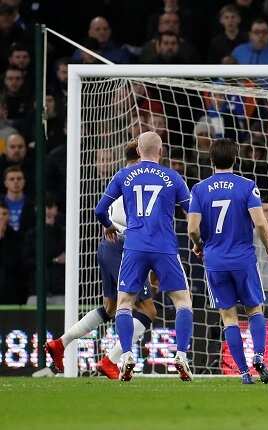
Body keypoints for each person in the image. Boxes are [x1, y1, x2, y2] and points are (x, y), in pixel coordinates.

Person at [46, 141, 158, 379]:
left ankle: (60, 343)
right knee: (147, 310)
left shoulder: (118, 179)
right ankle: (111, 361)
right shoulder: (138, 182)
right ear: (141, 156)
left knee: (111, 307)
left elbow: (105, 212)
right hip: (124, 248)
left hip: (107, 247)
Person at [93, 131, 194, 382]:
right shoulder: (172, 177)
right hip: (165, 246)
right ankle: (181, 355)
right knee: (182, 302)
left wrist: (108, 225)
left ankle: (126, 355)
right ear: (161, 151)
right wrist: (198, 241)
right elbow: (191, 211)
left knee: (125, 303)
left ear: (138, 151)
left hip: (134, 246)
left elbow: (99, 210)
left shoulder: (124, 175)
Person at [187, 138, 268, 385]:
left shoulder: (199, 189)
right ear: (235, 158)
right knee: (254, 309)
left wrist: (198, 245)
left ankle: (244, 374)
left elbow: (192, 228)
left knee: (228, 317)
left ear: (211, 159)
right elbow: (260, 222)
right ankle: (258, 357)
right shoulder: (247, 186)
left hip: (214, 261)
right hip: (243, 259)